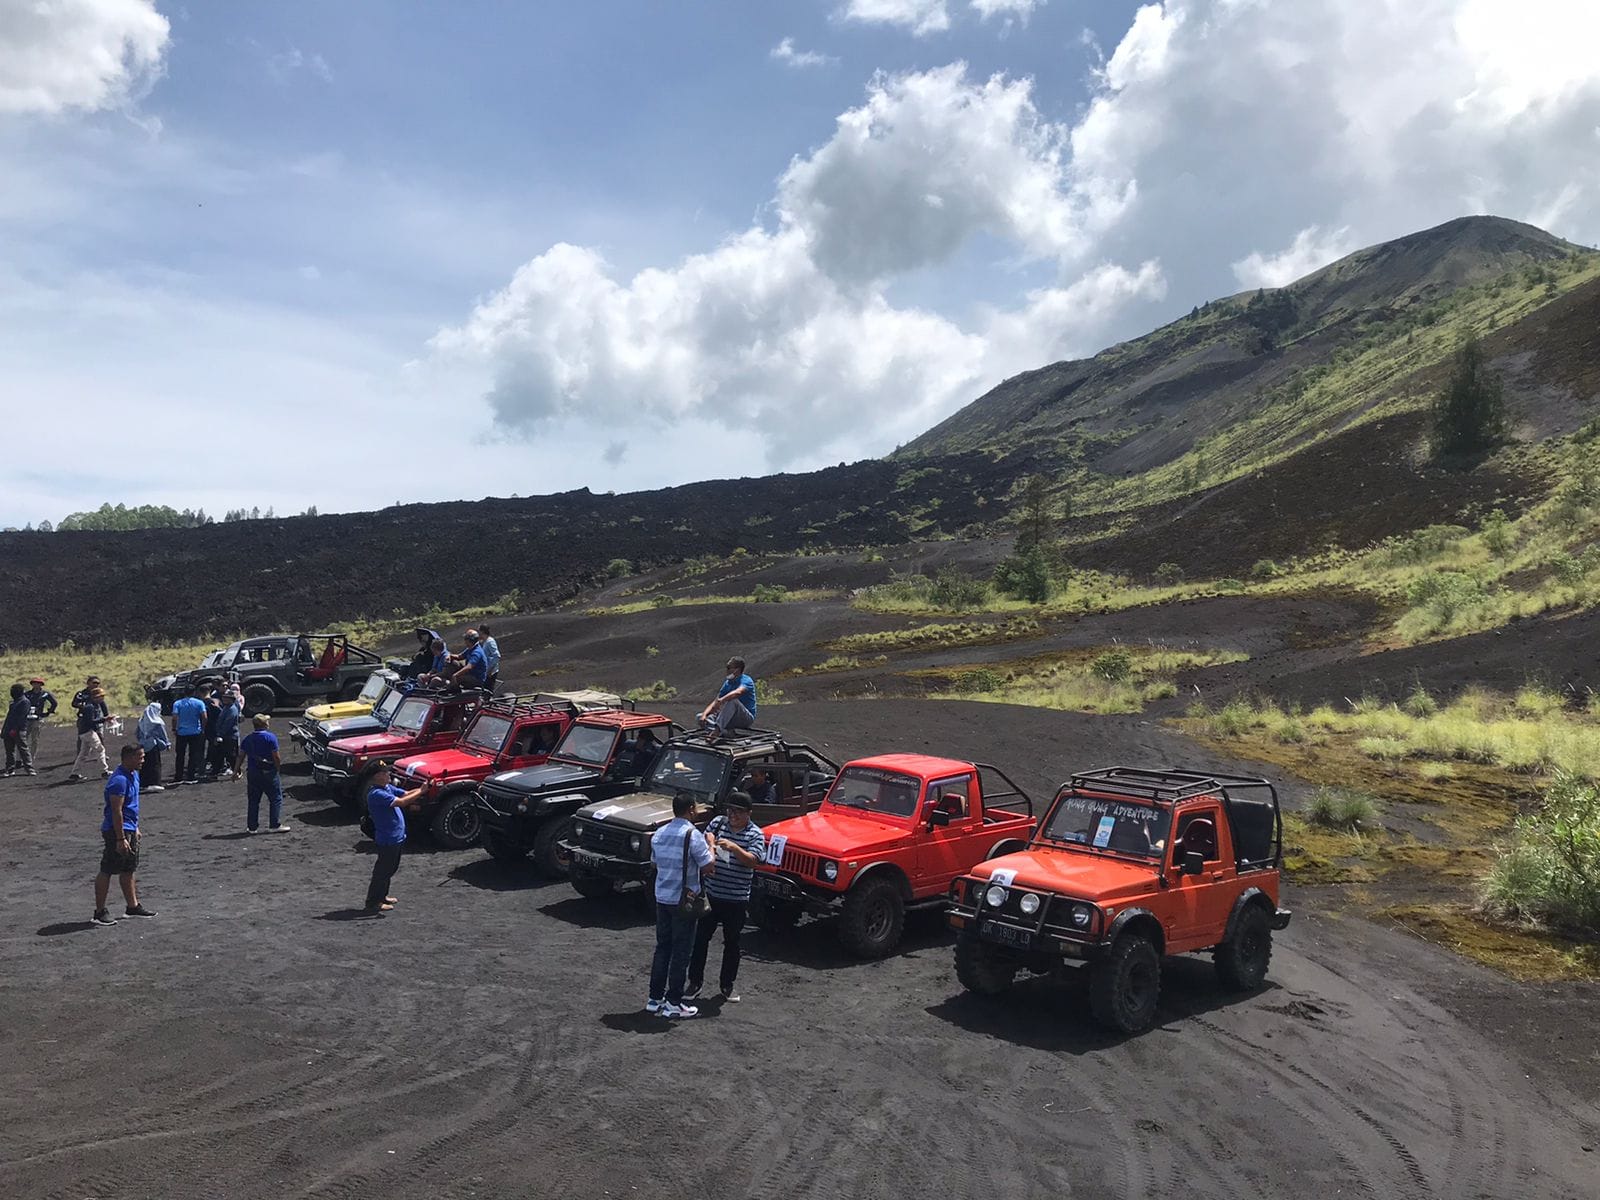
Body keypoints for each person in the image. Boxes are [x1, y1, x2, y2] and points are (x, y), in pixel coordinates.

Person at [687, 791, 766, 1003]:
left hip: (736, 899)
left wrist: (734, 848)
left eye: (738, 812)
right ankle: (694, 982)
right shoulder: (718, 824)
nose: (732, 815)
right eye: (730, 810)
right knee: (700, 940)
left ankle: (726, 985)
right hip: (711, 895)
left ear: (748, 813)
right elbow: (704, 846)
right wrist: (710, 846)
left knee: (732, 943)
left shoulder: (755, 834)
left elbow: (754, 860)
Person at [647, 792, 715, 1018]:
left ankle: (654, 998)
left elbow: (655, 863)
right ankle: (673, 1002)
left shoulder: (659, 833)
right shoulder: (692, 834)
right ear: (691, 809)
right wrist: (712, 845)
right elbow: (707, 866)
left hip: (662, 897)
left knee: (662, 947)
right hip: (683, 900)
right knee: (681, 951)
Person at [93, 744, 157, 926]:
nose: (143, 760)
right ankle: (99, 912)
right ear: (128, 758)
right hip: (116, 830)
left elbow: (131, 807)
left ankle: (132, 906)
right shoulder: (119, 781)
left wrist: (134, 828)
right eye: (140, 757)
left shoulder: (133, 775)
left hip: (128, 828)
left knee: (129, 868)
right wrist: (120, 838)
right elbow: (116, 811)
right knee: (107, 869)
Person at [364, 763, 423, 912]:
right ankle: (373, 902)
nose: (389, 775)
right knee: (382, 871)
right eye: (385, 773)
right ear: (377, 776)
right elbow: (402, 802)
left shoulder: (386, 788)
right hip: (387, 839)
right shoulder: (376, 794)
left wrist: (424, 788)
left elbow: (405, 794)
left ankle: (383, 896)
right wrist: (422, 790)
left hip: (396, 837)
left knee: (390, 868)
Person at [234, 713, 290, 833]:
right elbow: (276, 756)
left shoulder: (247, 739)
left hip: (253, 772)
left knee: (253, 800)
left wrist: (235, 771)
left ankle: (252, 827)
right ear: (265, 724)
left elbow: (240, 756)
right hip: (268, 771)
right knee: (275, 798)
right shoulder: (270, 737)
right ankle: (274, 824)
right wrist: (278, 769)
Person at [699, 656, 757, 733]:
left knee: (733, 702)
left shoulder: (746, 680)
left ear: (737, 669)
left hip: (745, 718)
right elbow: (716, 701)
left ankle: (717, 731)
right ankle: (723, 732)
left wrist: (722, 700)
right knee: (699, 717)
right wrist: (704, 715)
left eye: (729, 667)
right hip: (730, 718)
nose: (727, 670)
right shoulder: (728, 683)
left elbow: (738, 692)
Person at [69, 686, 111, 781]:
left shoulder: (91, 705)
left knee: (83, 753)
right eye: (101, 696)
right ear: (95, 697)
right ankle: (104, 771)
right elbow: (91, 721)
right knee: (100, 749)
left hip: (84, 732)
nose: (102, 699)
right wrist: (104, 719)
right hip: (88, 732)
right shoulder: (90, 707)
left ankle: (75, 773)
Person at [171, 686, 209, 785]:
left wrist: (174, 728)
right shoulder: (199, 703)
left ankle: (178, 776)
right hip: (195, 732)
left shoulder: (177, 703)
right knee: (193, 755)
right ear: (194, 692)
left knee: (180, 755)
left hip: (182, 732)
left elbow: (174, 718)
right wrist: (203, 728)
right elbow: (204, 717)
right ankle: (190, 776)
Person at [136, 701, 169, 792]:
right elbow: (163, 734)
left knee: (144, 764)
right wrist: (167, 743)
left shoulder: (142, 720)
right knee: (155, 764)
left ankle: (143, 783)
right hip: (153, 744)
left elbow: (137, 733)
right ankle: (155, 783)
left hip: (143, 745)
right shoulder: (157, 721)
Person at [4, 683, 35, 776]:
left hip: (19, 730)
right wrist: (5, 730)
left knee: (23, 749)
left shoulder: (24, 702)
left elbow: (21, 718)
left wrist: (14, 729)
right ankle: (10, 769)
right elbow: (9, 717)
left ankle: (29, 768)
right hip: (9, 729)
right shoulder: (13, 702)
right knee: (9, 751)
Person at [210, 687, 241, 779]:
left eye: (226, 697)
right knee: (220, 754)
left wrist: (219, 734)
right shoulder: (226, 708)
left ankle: (237, 771)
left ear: (231, 699)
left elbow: (227, 724)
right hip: (225, 735)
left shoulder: (232, 709)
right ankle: (216, 771)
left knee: (231, 755)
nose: (223, 699)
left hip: (229, 736)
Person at [24, 677, 56, 763]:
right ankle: (22, 758)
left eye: (38, 683)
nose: (36, 685)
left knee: (35, 739)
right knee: (24, 738)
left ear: (41, 685)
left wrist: (48, 712)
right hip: (27, 719)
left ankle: (31, 757)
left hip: (38, 718)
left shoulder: (45, 694)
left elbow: (54, 703)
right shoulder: (27, 694)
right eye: (34, 683)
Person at [479, 624, 501, 691]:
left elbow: (497, 656)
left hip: (490, 671)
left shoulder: (490, 641)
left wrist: (490, 670)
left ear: (482, 631)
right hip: (486, 670)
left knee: (488, 690)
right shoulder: (485, 641)